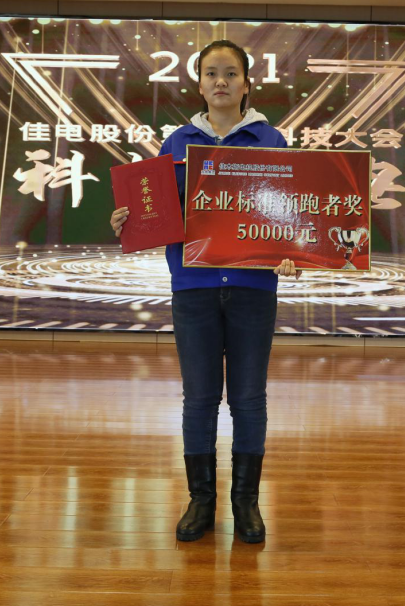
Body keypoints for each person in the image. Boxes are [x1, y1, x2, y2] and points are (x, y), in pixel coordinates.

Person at [110, 39, 299, 544]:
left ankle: (246, 503)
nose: (221, 81)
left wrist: (293, 250)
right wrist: (128, 221)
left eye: (231, 73)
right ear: (199, 84)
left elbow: (290, 211)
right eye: (212, 73)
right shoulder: (177, 142)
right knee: (199, 399)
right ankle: (201, 500)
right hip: (193, 286)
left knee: (249, 399)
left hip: (253, 285)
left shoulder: (271, 140)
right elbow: (156, 211)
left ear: (246, 83)